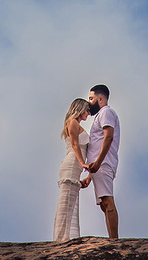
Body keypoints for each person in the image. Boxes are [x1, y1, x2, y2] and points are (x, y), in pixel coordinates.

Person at [53, 98, 92, 241]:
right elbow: (75, 144)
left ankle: (65, 238)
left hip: (74, 167)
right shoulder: (73, 122)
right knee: (65, 205)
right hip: (71, 164)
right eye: (87, 110)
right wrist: (83, 164)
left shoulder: (75, 124)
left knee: (69, 205)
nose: (88, 113)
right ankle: (60, 240)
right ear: (80, 109)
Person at [85, 84, 120, 239]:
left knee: (107, 200)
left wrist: (98, 162)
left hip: (103, 163)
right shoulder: (101, 115)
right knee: (104, 204)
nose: (89, 102)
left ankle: (114, 240)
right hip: (99, 165)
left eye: (91, 99)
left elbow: (108, 137)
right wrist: (89, 176)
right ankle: (112, 238)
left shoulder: (106, 112)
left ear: (100, 99)